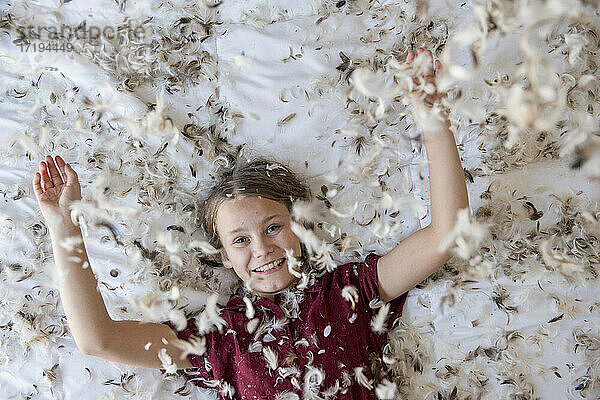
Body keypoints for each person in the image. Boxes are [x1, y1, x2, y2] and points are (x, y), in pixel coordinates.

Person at [32, 48, 468, 399]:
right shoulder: (219, 338)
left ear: (300, 226)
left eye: (273, 227)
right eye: (240, 239)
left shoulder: (345, 294)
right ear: (224, 256)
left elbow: (445, 236)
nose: (261, 248)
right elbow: (98, 340)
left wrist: (433, 119)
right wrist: (63, 224)